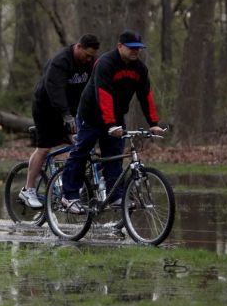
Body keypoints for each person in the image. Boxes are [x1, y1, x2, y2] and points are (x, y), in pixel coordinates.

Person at [60, 30, 164, 210]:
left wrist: (153, 123)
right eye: (131, 48)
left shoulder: (139, 69)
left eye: (138, 48)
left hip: (114, 117)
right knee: (81, 152)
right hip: (91, 115)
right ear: (119, 46)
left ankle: (115, 196)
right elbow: (104, 94)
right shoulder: (106, 63)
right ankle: (68, 196)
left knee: (114, 157)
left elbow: (145, 96)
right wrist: (110, 125)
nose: (135, 52)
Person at [18, 34, 100, 208]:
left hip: (70, 109)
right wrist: (66, 116)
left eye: (92, 56)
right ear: (78, 47)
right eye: (86, 55)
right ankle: (28, 189)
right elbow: (55, 91)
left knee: (79, 145)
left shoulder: (91, 63)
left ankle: (67, 184)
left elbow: (93, 88)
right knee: (44, 147)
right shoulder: (60, 61)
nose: (89, 59)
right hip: (46, 107)